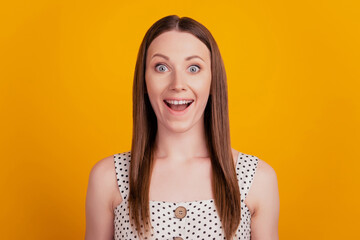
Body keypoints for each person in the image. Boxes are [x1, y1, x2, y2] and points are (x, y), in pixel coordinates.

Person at [85, 15, 280, 240]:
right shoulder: (107, 178)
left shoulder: (257, 179)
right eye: (161, 67)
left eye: (194, 68)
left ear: (212, 81)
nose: (178, 84)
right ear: (144, 81)